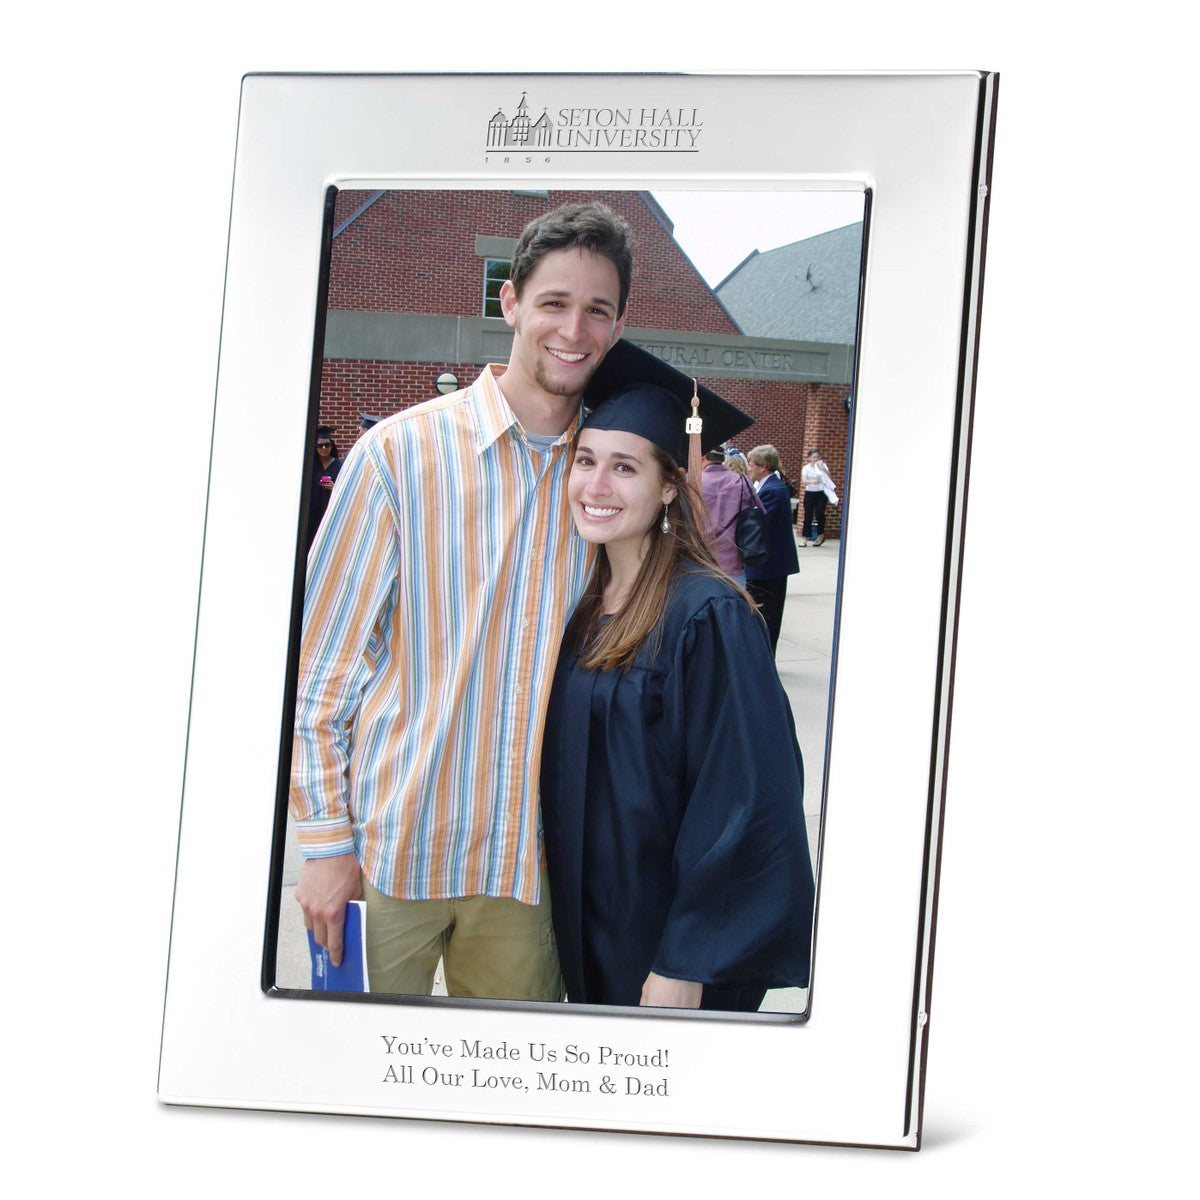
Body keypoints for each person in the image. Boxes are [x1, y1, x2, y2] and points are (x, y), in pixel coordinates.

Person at [289, 202, 636, 1000]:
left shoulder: (608, 482)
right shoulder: (398, 454)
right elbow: (321, 668)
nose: (573, 330)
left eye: (597, 310)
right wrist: (325, 844)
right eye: (553, 302)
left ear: (619, 326)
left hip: (526, 868)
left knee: (509, 1073)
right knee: (365, 1068)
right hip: (391, 853)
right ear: (510, 302)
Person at [540, 348, 816, 1011]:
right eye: (586, 461)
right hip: (593, 927)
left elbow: (746, 796)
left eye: (624, 467)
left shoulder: (707, 614)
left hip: (665, 949)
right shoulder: (587, 604)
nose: (596, 485)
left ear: (669, 486)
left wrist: (687, 960)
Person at [745, 445, 800, 653]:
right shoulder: (768, 486)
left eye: (751, 464)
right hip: (767, 565)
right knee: (763, 615)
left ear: (763, 466)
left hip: (769, 566)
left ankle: (765, 658)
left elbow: (759, 523)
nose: (749, 468)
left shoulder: (773, 490)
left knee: (767, 617)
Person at [699, 443, 764, 587]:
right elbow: (760, 511)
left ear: (703, 457)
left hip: (702, 561)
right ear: (723, 458)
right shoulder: (742, 481)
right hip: (733, 563)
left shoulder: (693, 483)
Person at [305, 426, 343, 549]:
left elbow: (346, 490)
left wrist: (335, 487)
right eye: (320, 446)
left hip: (329, 512)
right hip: (311, 514)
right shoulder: (310, 465)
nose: (324, 448)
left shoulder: (339, 466)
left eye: (327, 445)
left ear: (332, 446)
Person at [799, 448, 837, 547]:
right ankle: (805, 538)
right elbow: (804, 480)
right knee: (808, 515)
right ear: (809, 458)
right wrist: (813, 481)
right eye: (813, 457)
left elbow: (829, 478)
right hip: (810, 493)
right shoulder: (806, 468)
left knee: (820, 514)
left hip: (821, 493)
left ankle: (820, 536)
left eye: (817, 457)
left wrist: (823, 469)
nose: (815, 459)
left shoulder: (822, 466)